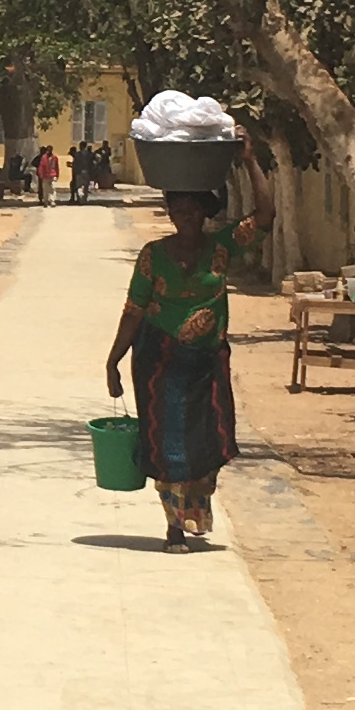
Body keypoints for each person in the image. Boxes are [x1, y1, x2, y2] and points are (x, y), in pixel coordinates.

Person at [105, 179, 252, 550]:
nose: (184, 218)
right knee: (170, 443)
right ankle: (173, 525)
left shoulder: (223, 247)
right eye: (177, 210)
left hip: (208, 362)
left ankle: (195, 513)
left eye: (192, 210)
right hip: (160, 362)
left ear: (205, 212)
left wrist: (250, 161)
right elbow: (133, 311)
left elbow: (265, 215)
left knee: (209, 439)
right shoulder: (153, 255)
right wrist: (113, 361)